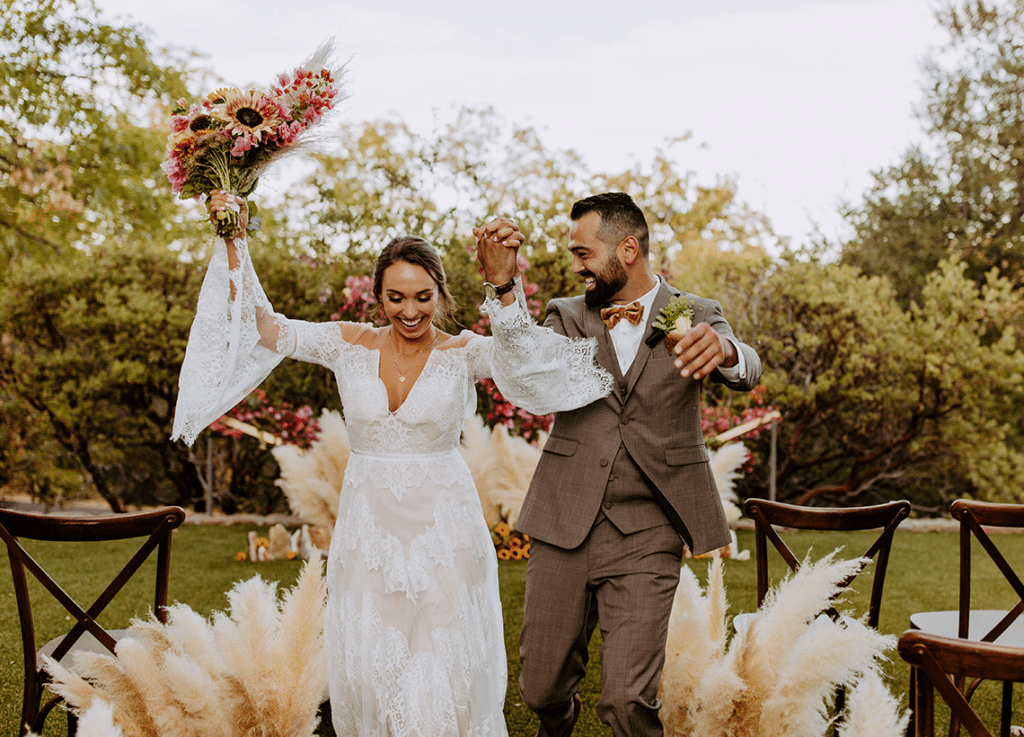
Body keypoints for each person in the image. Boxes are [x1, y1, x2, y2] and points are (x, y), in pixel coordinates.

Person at [171, 191, 613, 737]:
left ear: (441, 293)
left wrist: (505, 283)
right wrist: (233, 238)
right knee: (375, 656)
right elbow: (265, 326)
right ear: (376, 296)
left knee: (440, 655)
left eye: (423, 297)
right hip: (368, 529)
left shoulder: (466, 353)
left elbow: (524, 357)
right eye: (395, 298)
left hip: (442, 530)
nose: (410, 311)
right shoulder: (343, 344)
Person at [477, 191, 762, 737]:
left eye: (584, 254)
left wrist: (725, 352)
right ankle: (558, 720)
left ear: (627, 249)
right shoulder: (565, 315)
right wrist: (503, 288)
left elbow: (746, 365)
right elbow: (525, 365)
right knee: (540, 686)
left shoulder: (695, 314)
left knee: (629, 699)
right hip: (563, 519)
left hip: (648, 527)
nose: (577, 265)